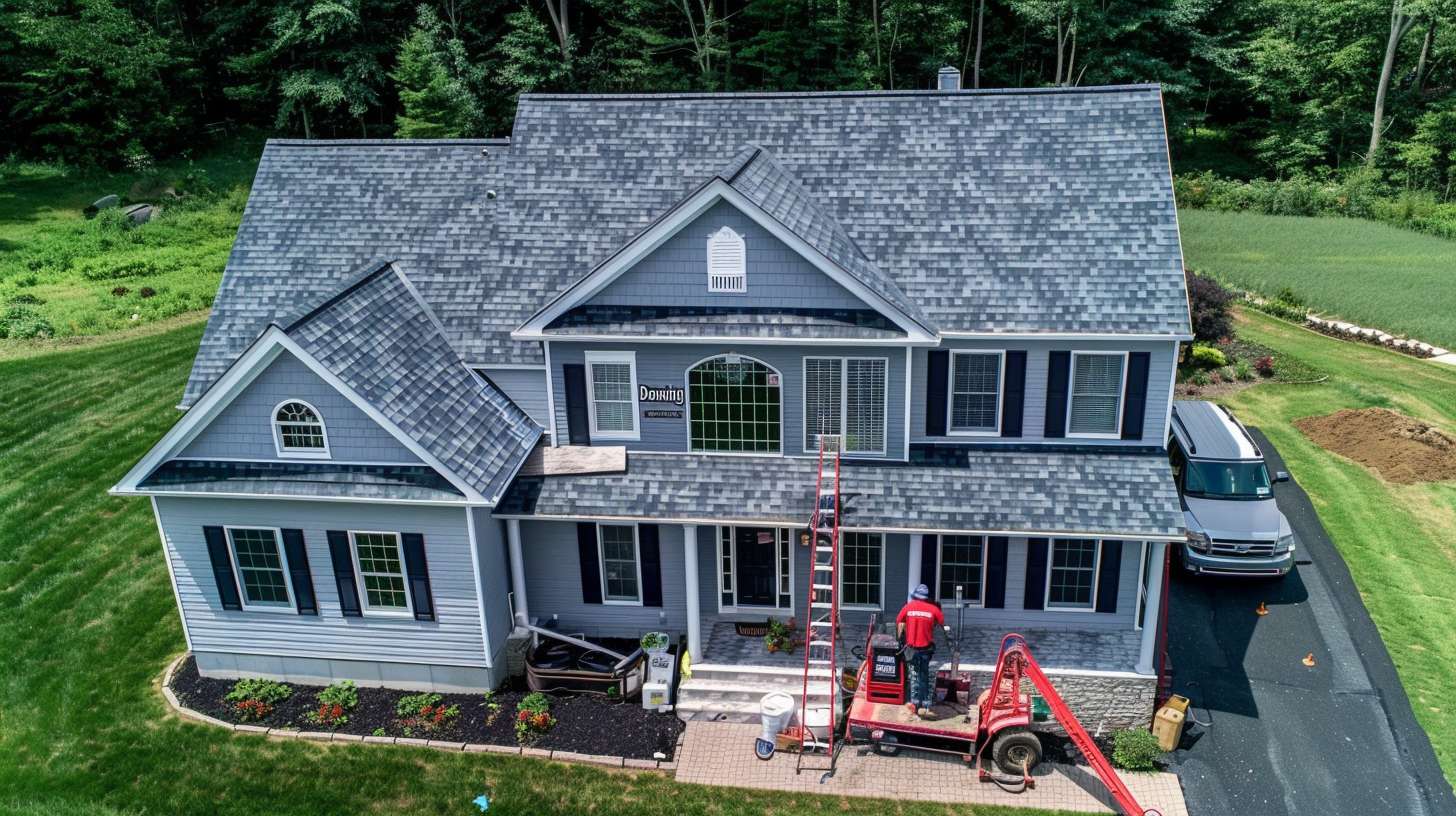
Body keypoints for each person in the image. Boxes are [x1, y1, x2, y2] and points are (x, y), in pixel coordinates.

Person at [896, 584, 950, 717]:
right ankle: (926, 705)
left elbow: (899, 620)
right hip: (926, 649)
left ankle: (914, 704)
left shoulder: (908, 607)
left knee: (914, 675)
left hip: (912, 649)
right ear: (926, 598)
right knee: (924, 675)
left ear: (915, 596)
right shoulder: (934, 609)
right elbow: (942, 623)